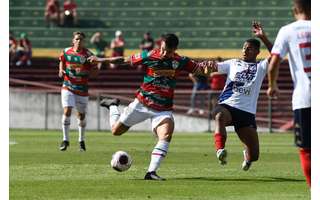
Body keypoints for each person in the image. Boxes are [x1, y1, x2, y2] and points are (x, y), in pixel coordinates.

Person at [88, 33, 217, 180]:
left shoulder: (180, 61)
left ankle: (151, 173)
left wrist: (209, 68)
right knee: (115, 131)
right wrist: (100, 59)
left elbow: (201, 70)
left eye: (167, 51)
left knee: (166, 135)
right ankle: (112, 106)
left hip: (163, 109)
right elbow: (124, 60)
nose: (163, 53)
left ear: (174, 49)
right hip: (142, 103)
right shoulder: (150, 55)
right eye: (162, 49)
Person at [212, 21, 273, 171]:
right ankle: (220, 150)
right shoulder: (233, 63)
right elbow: (212, 67)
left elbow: (277, 53)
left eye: (250, 48)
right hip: (228, 105)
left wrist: (263, 37)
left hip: (246, 113)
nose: (245, 51)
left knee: (255, 156)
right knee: (219, 115)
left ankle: (247, 155)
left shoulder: (261, 66)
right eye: (244, 48)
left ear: (258, 52)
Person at [267, 0, 311, 187]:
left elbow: (273, 64)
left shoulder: (288, 31)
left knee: (307, 149)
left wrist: (272, 85)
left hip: (305, 98)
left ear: (295, 10)